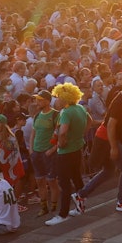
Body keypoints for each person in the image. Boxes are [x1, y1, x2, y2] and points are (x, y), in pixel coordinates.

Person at [74, 73, 122, 214]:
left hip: (107, 138)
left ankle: (80, 195)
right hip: (106, 139)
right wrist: (113, 147)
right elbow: (111, 125)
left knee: (109, 171)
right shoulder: (120, 101)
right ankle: (121, 201)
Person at [45, 83, 87, 227]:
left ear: (64, 98)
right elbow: (91, 122)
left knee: (64, 182)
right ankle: (81, 206)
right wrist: (79, 136)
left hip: (66, 152)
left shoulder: (66, 112)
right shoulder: (80, 108)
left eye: (57, 97)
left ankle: (63, 214)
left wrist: (62, 142)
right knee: (77, 178)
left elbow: (62, 132)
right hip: (77, 148)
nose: (56, 100)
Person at [29, 90, 60, 216]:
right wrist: (31, 150)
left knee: (52, 180)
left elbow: (61, 135)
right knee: (40, 181)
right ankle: (43, 207)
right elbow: (33, 133)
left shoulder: (55, 115)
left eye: (40, 100)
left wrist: (51, 150)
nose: (38, 102)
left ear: (47, 101)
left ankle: (54, 207)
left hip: (48, 153)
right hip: (37, 153)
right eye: (37, 99)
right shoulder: (37, 115)